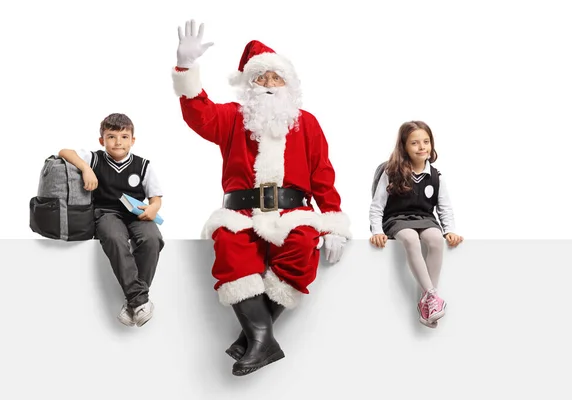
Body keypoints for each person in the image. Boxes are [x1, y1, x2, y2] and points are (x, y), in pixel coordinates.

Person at [171, 20, 351, 376]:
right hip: (241, 213)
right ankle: (262, 339)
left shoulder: (307, 122)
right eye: (261, 78)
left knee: (302, 245)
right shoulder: (232, 118)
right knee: (228, 244)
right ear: (248, 84)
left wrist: (332, 221)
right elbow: (199, 113)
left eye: (276, 78)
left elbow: (322, 175)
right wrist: (186, 68)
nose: (269, 84)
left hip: (293, 213)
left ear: (288, 84)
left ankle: (255, 338)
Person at [59, 113, 165, 327]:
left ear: (133, 140)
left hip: (137, 214)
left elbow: (155, 198)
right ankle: (140, 300)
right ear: (102, 140)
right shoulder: (95, 158)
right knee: (115, 238)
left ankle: (133, 302)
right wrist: (86, 168)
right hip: (106, 213)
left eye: (124, 137)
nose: (118, 142)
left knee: (152, 239)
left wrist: (153, 208)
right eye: (112, 137)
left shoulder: (143, 165)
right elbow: (64, 152)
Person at [369, 121, 463, 328]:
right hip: (397, 219)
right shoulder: (391, 171)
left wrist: (450, 231)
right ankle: (431, 296)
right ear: (403, 146)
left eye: (426, 142)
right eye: (414, 143)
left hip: (425, 219)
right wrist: (376, 230)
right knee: (411, 238)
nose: (422, 147)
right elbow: (377, 205)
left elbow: (444, 207)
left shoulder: (436, 176)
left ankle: (429, 304)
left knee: (435, 239)